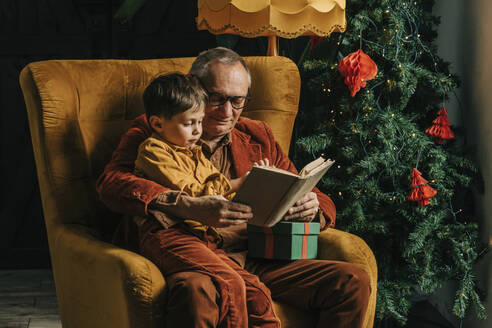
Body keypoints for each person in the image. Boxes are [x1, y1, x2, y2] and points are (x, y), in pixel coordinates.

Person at [97, 47, 371, 328]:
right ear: (196, 90)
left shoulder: (257, 135)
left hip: (258, 254)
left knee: (351, 282)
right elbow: (111, 183)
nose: (228, 111)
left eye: (238, 101)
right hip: (195, 253)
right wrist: (186, 206)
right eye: (216, 98)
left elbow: (312, 193)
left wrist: (311, 208)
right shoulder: (158, 127)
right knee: (197, 290)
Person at [133, 71, 280, 327]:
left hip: (200, 237)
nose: (197, 130)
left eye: (199, 122)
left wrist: (255, 180)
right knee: (230, 283)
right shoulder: (153, 150)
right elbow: (193, 190)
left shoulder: (195, 152)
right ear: (157, 124)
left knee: (256, 291)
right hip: (168, 234)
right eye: (189, 123)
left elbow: (220, 188)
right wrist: (240, 183)